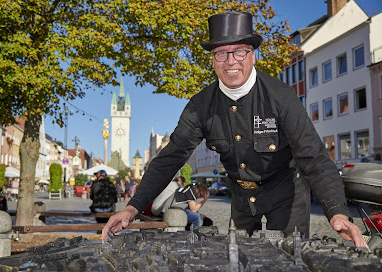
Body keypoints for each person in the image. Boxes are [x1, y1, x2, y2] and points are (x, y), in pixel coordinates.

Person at [102, 11, 368, 250]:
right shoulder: (200, 106)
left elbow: (314, 158)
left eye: (239, 51)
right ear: (214, 60)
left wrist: (337, 212)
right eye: (221, 53)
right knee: (237, 259)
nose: (231, 61)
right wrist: (132, 208)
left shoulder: (281, 97)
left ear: (252, 54)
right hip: (241, 198)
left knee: (289, 260)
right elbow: (170, 158)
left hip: (287, 195)